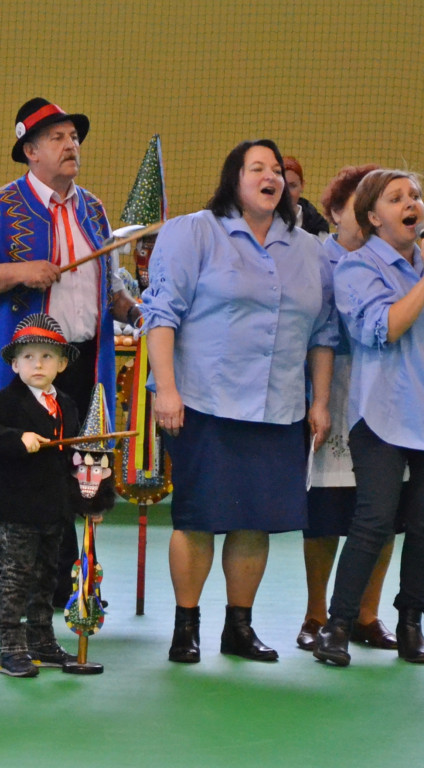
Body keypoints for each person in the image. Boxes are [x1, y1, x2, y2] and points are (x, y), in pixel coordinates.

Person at [142, 139, 338, 663]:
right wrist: (167, 390)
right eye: (258, 168)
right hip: (203, 402)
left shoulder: (310, 249)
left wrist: (319, 401)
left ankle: (239, 628)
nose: (270, 176)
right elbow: (160, 316)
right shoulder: (194, 232)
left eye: (276, 170)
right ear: (235, 178)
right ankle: (187, 628)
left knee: (256, 520)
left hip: (279, 410)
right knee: (198, 517)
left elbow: (323, 333)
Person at [0, 97, 140, 608]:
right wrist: (20, 272)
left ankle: (58, 582)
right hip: (21, 375)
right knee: (13, 476)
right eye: (56, 137)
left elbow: (109, 285)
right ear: (30, 151)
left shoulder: (94, 209)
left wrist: (132, 310)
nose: (70, 144)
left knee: (70, 478)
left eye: (73, 137)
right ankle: (5, 585)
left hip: (78, 368)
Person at [315, 169, 424, 667]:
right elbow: (385, 328)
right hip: (379, 413)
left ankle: (410, 624)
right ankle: (336, 627)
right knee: (374, 520)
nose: (412, 203)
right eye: (397, 197)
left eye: (416, 195)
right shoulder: (356, 269)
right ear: (374, 218)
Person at [297, 164, 398, 652]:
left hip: (386, 393)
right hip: (332, 389)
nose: (365, 213)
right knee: (325, 515)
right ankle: (317, 614)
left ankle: (366, 615)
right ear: (335, 212)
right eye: (355, 204)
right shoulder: (318, 260)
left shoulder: (401, 260)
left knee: (382, 512)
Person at [0, 314, 88, 677]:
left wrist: (86, 500)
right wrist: (16, 439)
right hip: (17, 509)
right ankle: (11, 648)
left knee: (48, 577)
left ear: (62, 364)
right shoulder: (2, 403)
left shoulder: (66, 404)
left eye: (48, 357)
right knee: (16, 577)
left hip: (55, 509)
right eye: (29, 357)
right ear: (15, 364)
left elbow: (74, 458)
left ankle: (42, 642)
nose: (38, 364)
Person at [283, 156, 330, 238]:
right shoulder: (262, 221)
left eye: (292, 186)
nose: (287, 193)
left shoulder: (317, 226)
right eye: (282, 186)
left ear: (302, 185)